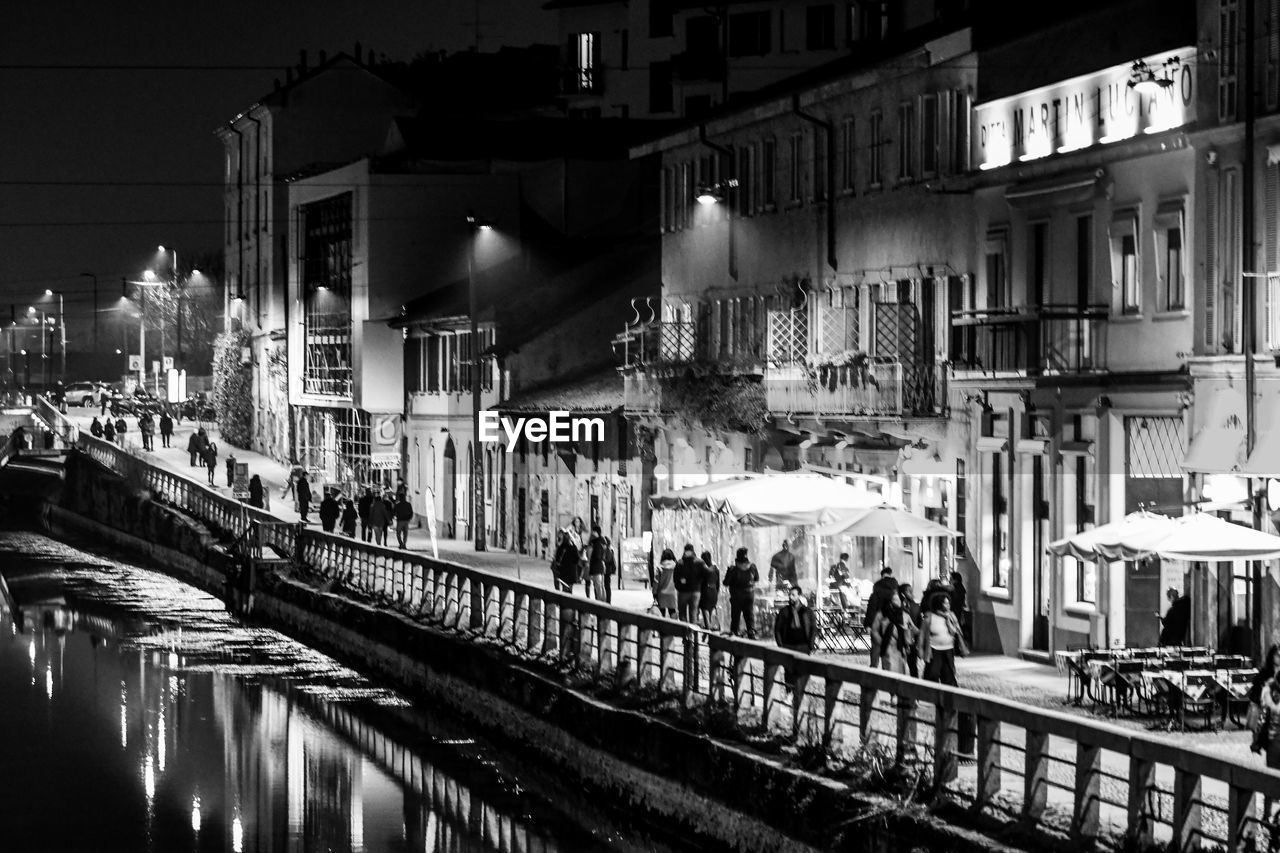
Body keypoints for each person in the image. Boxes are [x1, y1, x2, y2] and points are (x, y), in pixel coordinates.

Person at [919, 592, 975, 757]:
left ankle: (950, 699)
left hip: (948, 650)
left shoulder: (951, 617)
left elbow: (957, 633)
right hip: (934, 650)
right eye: (945, 603)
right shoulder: (929, 618)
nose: (947, 606)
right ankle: (930, 697)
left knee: (949, 676)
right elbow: (923, 635)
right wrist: (921, 651)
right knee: (932, 673)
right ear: (938, 604)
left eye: (948, 603)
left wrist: (953, 625)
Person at [773, 585, 817, 690]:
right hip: (788, 646)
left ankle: (801, 694)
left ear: (799, 596)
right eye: (790, 595)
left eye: (793, 595)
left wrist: (810, 645)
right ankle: (789, 693)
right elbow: (777, 629)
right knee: (788, 672)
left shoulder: (807, 612)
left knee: (802, 672)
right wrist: (781, 645)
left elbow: (813, 629)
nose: (790, 597)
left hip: (803, 646)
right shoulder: (784, 611)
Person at [871, 594, 916, 676]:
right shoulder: (881, 614)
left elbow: (913, 628)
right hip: (888, 647)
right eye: (895, 600)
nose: (898, 602)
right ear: (890, 602)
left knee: (900, 671)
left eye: (899, 600)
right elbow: (874, 630)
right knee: (889, 670)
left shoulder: (904, 615)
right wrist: (881, 642)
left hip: (901, 647)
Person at [865, 567, 899, 668]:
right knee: (890, 647)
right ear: (890, 573)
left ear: (882, 575)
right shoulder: (895, 588)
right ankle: (888, 670)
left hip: (877, 622)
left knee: (876, 647)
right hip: (892, 622)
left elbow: (871, 608)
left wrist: (868, 624)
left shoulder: (877, 588)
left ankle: (874, 668)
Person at [1257, 674, 1280, 822]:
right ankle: (1267, 814)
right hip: (1275, 741)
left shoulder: (1269, 693)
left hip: (1273, 741)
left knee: (1271, 777)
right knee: (1271, 777)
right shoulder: (1271, 694)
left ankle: (1267, 815)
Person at [723, 547, 759, 639]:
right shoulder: (752, 567)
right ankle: (751, 633)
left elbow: (726, 583)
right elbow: (757, 579)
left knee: (735, 617)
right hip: (749, 595)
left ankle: (735, 634)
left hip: (737, 596)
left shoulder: (733, 569)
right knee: (749, 615)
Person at [1249, 645, 1280, 734]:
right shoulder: (1264, 673)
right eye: (1277, 655)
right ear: (1272, 656)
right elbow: (1256, 692)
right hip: (1266, 709)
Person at [674, 544, 704, 623]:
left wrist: (679, 587)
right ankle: (693, 634)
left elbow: (675, 578)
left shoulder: (680, 563)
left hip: (683, 592)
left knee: (682, 614)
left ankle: (685, 634)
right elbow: (704, 576)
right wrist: (699, 586)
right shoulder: (700, 562)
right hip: (695, 591)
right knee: (693, 614)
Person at [898, 584, 922, 678]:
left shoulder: (916, 606)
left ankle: (914, 683)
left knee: (912, 664)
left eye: (911, 590)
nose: (911, 593)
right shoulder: (898, 606)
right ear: (902, 593)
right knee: (901, 664)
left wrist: (919, 639)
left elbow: (919, 624)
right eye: (908, 591)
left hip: (912, 638)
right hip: (900, 638)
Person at [698, 550, 720, 630]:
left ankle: (708, 631)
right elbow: (718, 584)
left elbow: (701, 583)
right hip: (714, 592)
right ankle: (706, 636)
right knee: (709, 614)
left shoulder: (703, 570)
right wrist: (716, 593)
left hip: (705, 592)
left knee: (705, 611)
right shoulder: (716, 569)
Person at [652, 548, 678, 617]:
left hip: (661, 594)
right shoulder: (676, 567)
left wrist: (654, 593)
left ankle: (662, 627)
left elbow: (656, 582)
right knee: (672, 612)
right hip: (672, 593)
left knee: (661, 613)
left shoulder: (660, 567)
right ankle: (674, 627)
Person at [949, 571, 971, 644]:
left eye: (951, 579)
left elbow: (955, 601)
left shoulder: (957, 589)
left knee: (956, 628)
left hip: (955, 612)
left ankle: (958, 645)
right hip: (957, 611)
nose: (949, 580)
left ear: (955, 580)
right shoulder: (960, 588)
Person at [585, 526, 607, 600]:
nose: (592, 533)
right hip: (601, 566)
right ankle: (603, 601)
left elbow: (597, 556)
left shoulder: (597, 543)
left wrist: (592, 559)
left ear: (595, 532)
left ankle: (600, 602)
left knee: (598, 586)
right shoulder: (602, 542)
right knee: (601, 585)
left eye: (593, 531)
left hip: (596, 567)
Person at [602, 536, 617, 603]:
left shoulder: (608, 550)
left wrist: (602, 560)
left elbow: (608, 560)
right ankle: (607, 600)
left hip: (607, 571)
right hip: (607, 570)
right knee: (606, 586)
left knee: (607, 586)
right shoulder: (609, 550)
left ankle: (608, 601)